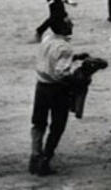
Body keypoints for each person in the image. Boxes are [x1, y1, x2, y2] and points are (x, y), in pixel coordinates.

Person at [29, 16, 88, 176]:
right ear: (62, 27)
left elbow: (52, 59)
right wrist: (79, 80)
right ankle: (46, 159)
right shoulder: (65, 48)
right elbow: (61, 73)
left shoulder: (47, 38)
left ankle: (35, 155)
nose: (72, 24)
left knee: (39, 122)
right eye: (68, 23)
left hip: (41, 86)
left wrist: (75, 58)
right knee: (58, 125)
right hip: (57, 90)